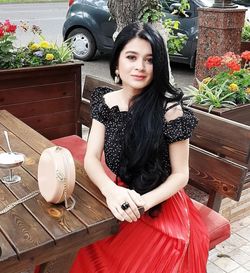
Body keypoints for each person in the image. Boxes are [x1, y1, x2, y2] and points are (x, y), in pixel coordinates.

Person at [70, 22, 209, 273]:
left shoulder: (170, 111)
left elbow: (180, 175)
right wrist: (110, 190)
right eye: (131, 57)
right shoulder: (106, 102)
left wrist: (141, 204)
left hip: (160, 205)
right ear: (116, 63)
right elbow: (91, 157)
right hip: (120, 196)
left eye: (149, 59)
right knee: (77, 246)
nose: (140, 67)